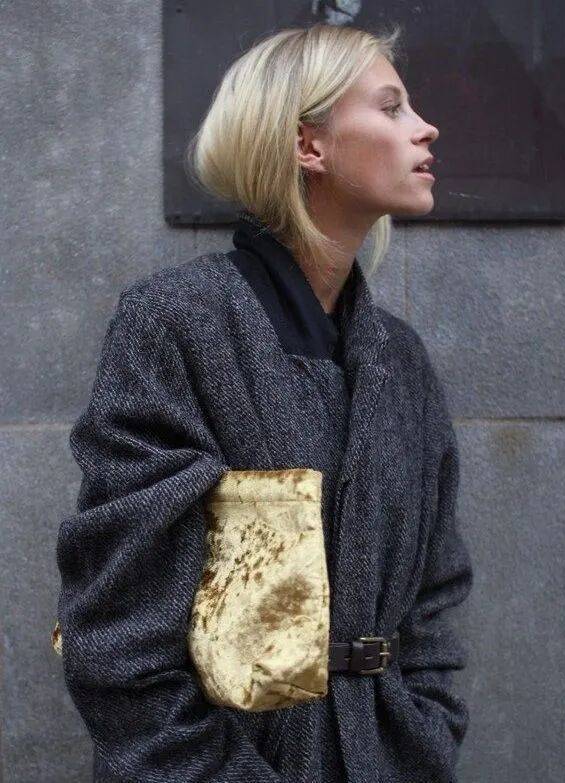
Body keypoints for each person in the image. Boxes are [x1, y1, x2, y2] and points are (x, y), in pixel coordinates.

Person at [54, 22, 474, 783]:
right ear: (309, 145)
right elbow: (118, 625)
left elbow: (434, 590)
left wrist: (426, 729)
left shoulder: (399, 358)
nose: (425, 128)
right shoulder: (179, 323)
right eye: (390, 107)